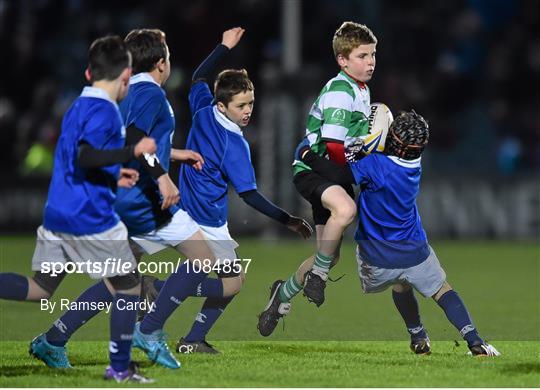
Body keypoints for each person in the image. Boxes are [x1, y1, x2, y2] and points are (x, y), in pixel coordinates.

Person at [27, 28, 227, 371]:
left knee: (117, 281)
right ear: (161, 62)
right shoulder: (150, 93)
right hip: (144, 199)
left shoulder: (125, 91)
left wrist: (173, 154)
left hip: (119, 195)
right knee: (201, 258)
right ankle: (147, 331)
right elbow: (136, 137)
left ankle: (54, 338)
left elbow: (130, 138)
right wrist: (163, 176)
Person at [0, 36, 157, 382]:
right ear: (127, 76)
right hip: (87, 217)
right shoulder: (104, 110)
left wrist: (114, 176)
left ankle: (55, 344)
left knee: (41, 288)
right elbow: (87, 154)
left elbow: (77, 159)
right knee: (129, 284)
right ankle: (119, 368)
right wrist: (130, 152)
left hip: (59, 211)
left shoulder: (77, 104)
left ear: (88, 72)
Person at [290, 110, 500, 357]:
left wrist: (307, 154)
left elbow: (338, 175)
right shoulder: (415, 164)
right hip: (414, 252)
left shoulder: (375, 165)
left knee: (400, 285)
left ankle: (418, 336)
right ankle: (475, 341)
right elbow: (385, 154)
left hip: (375, 259)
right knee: (442, 290)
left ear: (397, 144)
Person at [166, 27, 312, 353]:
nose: (248, 111)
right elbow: (249, 195)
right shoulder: (235, 144)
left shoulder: (204, 110)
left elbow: (199, 77)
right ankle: (160, 295)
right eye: (241, 105)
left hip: (190, 213)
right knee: (228, 284)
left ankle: (192, 339)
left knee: (233, 283)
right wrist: (287, 219)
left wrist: (222, 47)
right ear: (223, 106)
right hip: (208, 223)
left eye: (251, 103)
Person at [258, 21, 377, 336]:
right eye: (363, 55)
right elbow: (336, 148)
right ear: (342, 60)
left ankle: (280, 295)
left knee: (331, 254)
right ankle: (318, 278)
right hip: (315, 169)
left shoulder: (361, 90)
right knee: (347, 210)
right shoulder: (341, 90)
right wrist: (364, 171)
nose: (370, 62)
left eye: (372, 55)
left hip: (331, 174)